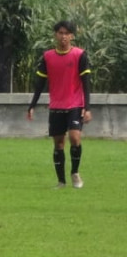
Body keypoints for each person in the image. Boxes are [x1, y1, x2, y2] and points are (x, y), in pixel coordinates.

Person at [26, 19, 92, 189]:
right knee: (59, 143)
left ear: (72, 36)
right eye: (60, 33)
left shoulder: (79, 55)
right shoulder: (48, 57)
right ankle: (61, 182)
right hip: (56, 106)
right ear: (56, 35)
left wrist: (88, 107)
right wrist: (32, 105)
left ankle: (75, 173)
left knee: (75, 138)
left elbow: (86, 82)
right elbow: (40, 83)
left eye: (67, 34)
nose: (63, 37)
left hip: (75, 104)